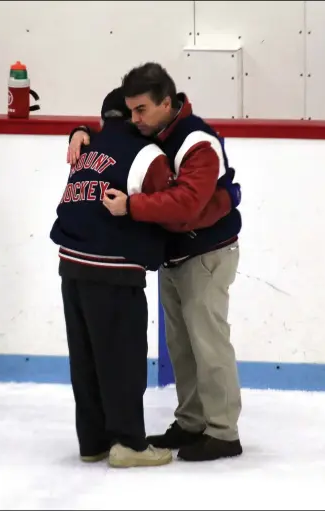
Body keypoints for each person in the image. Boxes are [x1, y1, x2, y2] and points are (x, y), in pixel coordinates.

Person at [68, 62, 244, 462]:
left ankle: (223, 431)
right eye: (130, 111)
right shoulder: (153, 129)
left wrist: (131, 206)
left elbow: (185, 204)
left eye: (141, 110)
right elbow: (111, 134)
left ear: (167, 102)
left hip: (207, 255)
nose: (135, 120)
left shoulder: (198, 142)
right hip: (176, 255)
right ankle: (191, 422)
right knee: (181, 346)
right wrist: (81, 130)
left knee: (208, 342)